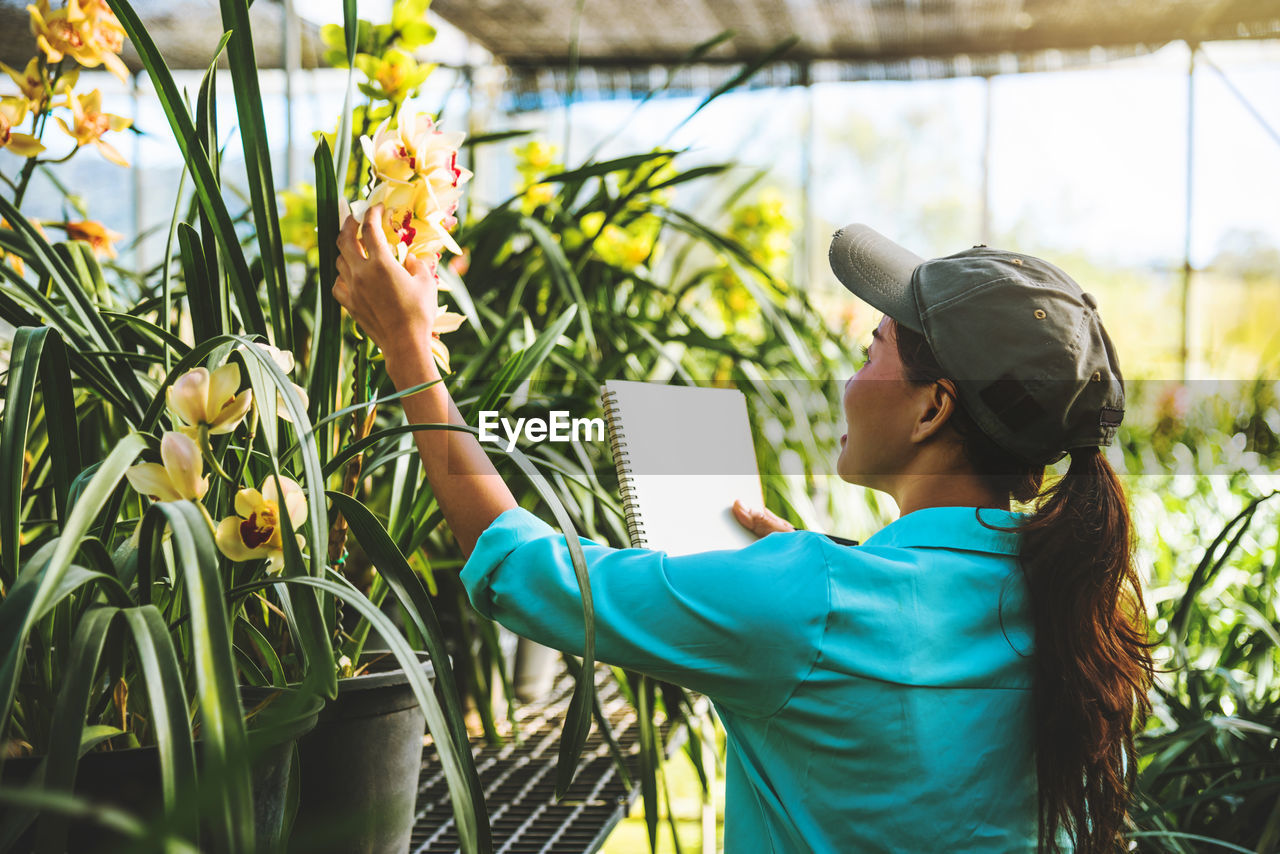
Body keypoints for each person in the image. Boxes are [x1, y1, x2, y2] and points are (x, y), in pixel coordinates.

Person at [333, 208, 1154, 853]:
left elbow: (520, 564)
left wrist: (408, 349)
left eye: (873, 351)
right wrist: (822, 571)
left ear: (934, 407)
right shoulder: (1079, 620)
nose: (849, 377)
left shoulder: (811, 604)